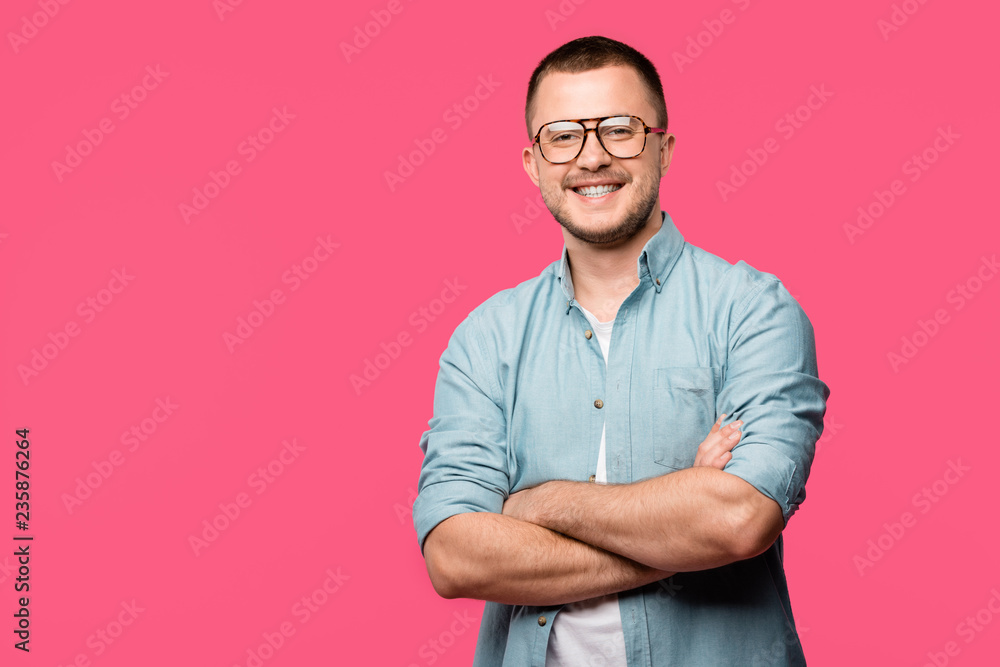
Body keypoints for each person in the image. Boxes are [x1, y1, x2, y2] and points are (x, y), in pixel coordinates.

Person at [412, 35, 830, 667]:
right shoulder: (485, 340)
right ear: (532, 162)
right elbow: (454, 557)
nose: (592, 157)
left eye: (619, 129)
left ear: (663, 147)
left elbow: (740, 522)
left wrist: (536, 505)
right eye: (562, 136)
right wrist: (682, 518)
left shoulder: (753, 311)